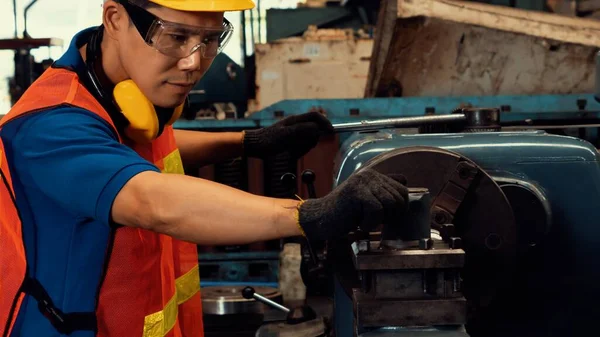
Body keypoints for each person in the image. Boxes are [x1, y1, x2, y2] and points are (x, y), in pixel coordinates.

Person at [0, 0, 409, 336]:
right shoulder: (48, 126)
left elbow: (142, 148)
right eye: (176, 37)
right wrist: (310, 214)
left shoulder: (121, 97)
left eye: (211, 40)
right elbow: (151, 201)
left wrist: (249, 143)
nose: (194, 62)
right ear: (115, 19)